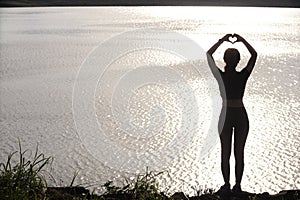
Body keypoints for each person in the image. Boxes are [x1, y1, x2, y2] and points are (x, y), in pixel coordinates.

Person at [207, 33, 257, 194]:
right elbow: (254, 55)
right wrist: (242, 41)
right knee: (238, 153)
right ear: (238, 61)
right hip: (240, 115)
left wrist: (222, 40)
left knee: (225, 152)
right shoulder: (243, 75)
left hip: (226, 115)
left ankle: (227, 185)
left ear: (224, 60)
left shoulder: (219, 75)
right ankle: (237, 186)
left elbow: (208, 55)